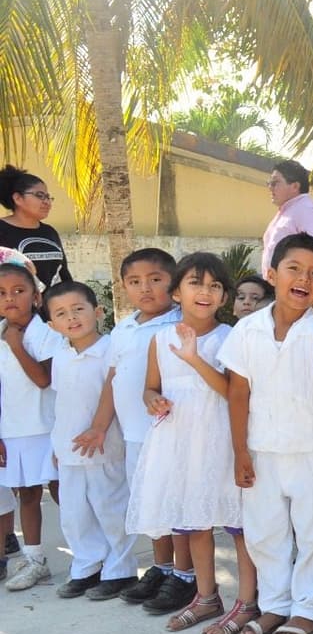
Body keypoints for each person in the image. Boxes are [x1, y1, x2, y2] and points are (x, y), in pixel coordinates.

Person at [218, 232, 313, 634]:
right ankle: (275, 603)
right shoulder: (247, 329)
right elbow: (238, 393)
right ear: (272, 274)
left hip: (310, 448)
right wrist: (240, 451)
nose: (304, 279)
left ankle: (310, 610)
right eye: (294, 269)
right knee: (265, 533)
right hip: (261, 449)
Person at [125, 253, 258, 634]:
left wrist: (196, 359)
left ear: (224, 297)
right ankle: (206, 597)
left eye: (215, 286)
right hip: (180, 440)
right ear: (176, 292)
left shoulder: (231, 337)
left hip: (222, 437)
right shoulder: (159, 339)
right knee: (194, 521)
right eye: (196, 283)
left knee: (238, 524)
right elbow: (151, 386)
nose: (206, 291)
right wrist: (153, 400)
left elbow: (233, 392)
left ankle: (247, 601)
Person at [76, 248, 193, 608]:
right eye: (135, 281)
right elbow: (114, 379)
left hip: (170, 433)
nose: (145, 288)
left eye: (155, 279)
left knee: (175, 507)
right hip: (134, 436)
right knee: (149, 504)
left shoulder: (181, 323)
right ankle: (162, 567)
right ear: (123, 286)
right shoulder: (124, 328)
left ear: (173, 283)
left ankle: (185, 574)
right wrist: (99, 426)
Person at [43, 282, 136, 599]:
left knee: (111, 510)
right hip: (69, 449)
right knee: (74, 514)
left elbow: (117, 397)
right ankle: (86, 566)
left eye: (78, 309)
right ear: (52, 325)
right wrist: (56, 445)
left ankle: (120, 570)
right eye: (61, 313)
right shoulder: (60, 355)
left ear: (98, 312)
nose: (71, 317)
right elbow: (61, 403)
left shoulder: (111, 350)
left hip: (106, 447)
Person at [0, 260, 61, 591]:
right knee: (27, 494)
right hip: (15, 429)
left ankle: (93, 553)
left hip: (49, 427)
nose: (10, 298)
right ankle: (35, 559)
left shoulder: (47, 333)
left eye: (18, 290)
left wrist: (15, 345)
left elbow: (43, 380)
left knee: (63, 491)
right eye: (1, 293)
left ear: (36, 297)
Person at [0, 165, 71, 288]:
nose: (47, 202)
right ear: (18, 198)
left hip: (52, 300)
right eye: (39, 195)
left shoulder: (50, 232)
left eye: (48, 197)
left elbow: (63, 273)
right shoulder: (2, 230)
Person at [260, 160, 313, 277]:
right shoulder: (288, 211)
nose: (270, 187)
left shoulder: (307, 210)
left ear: (295, 186)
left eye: (275, 183)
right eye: (269, 183)